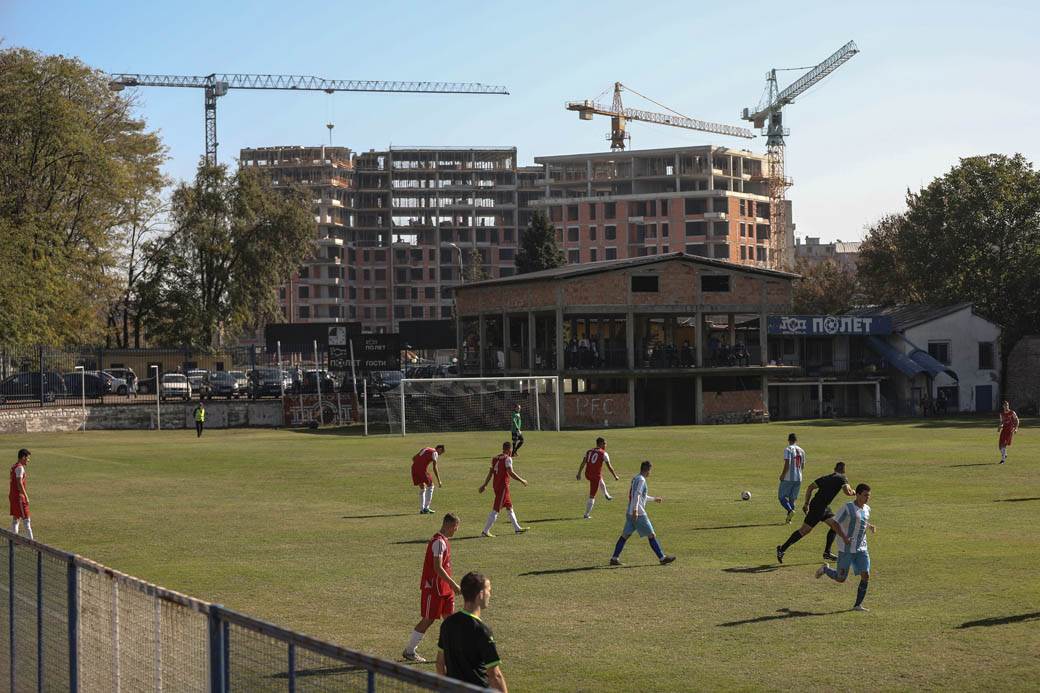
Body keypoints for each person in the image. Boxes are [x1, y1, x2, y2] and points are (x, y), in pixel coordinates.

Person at [403, 513, 462, 662]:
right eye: (455, 527)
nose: (456, 530)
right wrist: (453, 584)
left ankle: (450, 653)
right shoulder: (438, 542)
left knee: (449, 620)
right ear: (449, 525)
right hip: (434, 588)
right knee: (428, 619)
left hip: (445, 588)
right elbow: (437, 567)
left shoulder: (444, 540)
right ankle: (409, 650)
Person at [437, 572, 508, 691]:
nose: (490, 594)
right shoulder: (482, 631)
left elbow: (440, 663)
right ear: (480, 594)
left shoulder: (447, 624)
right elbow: (495, 675)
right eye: (488, 590)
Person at [776, 461, 854, 563]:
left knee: (836, 525)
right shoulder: (842, 478)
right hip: (819, 508)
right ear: (844, 470)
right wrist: (854, 492)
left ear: (834, 469)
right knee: (804, 530)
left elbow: (810, 488)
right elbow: (847, 492)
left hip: (822, 506)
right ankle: (782, 549)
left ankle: (827, 553)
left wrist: (806, 504)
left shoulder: (825, 478)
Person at [816, 483, 876, 612]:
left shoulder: (867, 509)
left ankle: (857, 605)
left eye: (869, 495)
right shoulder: (847, 508)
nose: (867, 498)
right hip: (846, 548)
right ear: (858, 494)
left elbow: (862, 521)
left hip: (862, 548)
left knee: (866, 575)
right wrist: (843, 537)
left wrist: (869, 526)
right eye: (865, 495)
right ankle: (825, 569)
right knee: (841, 578)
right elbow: (835, 523)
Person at [610, 461, 676, 566]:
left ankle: (614, 558)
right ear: (648, 469)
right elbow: (637, 494)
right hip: (639, 513)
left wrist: (654, 499)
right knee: (651, 535)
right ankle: (662, 558)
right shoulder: (641, 480)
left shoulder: (636, 478)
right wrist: (636, 510)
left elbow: (640, 496)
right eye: (650, 470)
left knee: (625, 536)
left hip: (630, 512)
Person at [479, 442, 528, 537]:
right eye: (511, 449)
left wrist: (485, 484)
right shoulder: (507, 459)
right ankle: (485, 531)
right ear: (509, 449)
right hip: (503, 487)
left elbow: (490, 473)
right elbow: (511, 472)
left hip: (496, 486)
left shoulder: (495, 458)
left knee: (509, 507)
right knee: (496, 509)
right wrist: (522, 480)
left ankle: (517, 528)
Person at [576, 436, 620, 519]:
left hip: (587, 474)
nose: (605, 445)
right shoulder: (604, 453)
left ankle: (606, 494)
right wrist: (615, 476)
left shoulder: (589, 451)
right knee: (592, 496)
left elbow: (583, 463)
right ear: (600, 443)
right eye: (604, 444)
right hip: (594, 477)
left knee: (600, 477)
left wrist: (579, 473)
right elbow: (609, 467)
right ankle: (586, 515)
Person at [778, 433, 806, 524]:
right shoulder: (802, 450)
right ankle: (789, 520)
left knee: (781, 497)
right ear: (796, 440)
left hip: (788, 478)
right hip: (799, 478)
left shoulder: (788, 449)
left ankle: (790, 511)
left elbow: (788, 463)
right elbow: (803, 465)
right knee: (792, 499)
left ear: (788, 440)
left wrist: (783, 475)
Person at [412, 444, 446, 514]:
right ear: (439, 449)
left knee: (422, 488)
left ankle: (422, 509)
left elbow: (414, 458)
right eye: (441, 452)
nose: (439, 455)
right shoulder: (435, 453)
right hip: (422, 470)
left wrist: (419, 465)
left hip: (414, 468)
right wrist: (439, 480)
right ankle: (426, 508)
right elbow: (434, 467)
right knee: (431, 486)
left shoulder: (426, 448)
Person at [9, 449, 32, 539]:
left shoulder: (14, 466)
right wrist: (26, 496)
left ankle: (14, 539)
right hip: (19, 497)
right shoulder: (19, 468)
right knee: (27, 520)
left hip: (13, 496)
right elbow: (19, 484)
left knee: (16, 518)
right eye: (27, 458)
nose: (28, 460)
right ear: (23, 457)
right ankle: (33, 543)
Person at [998, 400, 1020, 464]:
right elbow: (1002, 422)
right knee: (1000, 446)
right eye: (1005, 405)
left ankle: (1003, 460)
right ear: (1003, 406)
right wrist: (1000, 426)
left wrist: (1016, 428)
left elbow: (1017, 420)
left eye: (1007, 405)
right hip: (1004, 430)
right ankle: (1005, 454)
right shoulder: (1001, 414)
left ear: (1008, 405)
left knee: (1004, 444)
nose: (1006, 406)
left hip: (1010, 430)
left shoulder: (1012, 412)